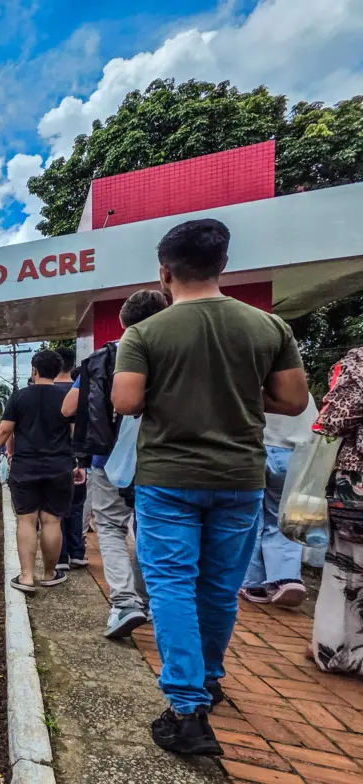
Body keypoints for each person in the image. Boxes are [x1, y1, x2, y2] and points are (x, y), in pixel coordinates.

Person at [111, 219, 309, 756]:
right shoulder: (268, 327)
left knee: (172, 584)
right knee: (219, 588)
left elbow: (126, 401)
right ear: (223, 265)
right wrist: (240, 396)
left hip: (169, 478)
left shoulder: (144, 333)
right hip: (239, 478)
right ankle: (210, 679)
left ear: (165, 272)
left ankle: (186, 707)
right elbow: (292, 400)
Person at [62, 289, 168, 638]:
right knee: (150, 531)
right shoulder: (175, 353)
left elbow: (69, 408)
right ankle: (146, 602)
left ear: (123, 324)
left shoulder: (105, 358)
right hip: (167, 457)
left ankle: (124, 603)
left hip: (110, 459)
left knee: (110, 527)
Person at [0, 350, 76, 593]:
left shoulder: (19, 397)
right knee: (51, 520)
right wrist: (80, 462)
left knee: (26, 519)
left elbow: (5, 431)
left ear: (34, 370)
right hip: (59, 467)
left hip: (26, 467)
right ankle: (49, 574)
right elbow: (76, 433)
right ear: (56, 372)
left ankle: (26, 577)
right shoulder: (67, 397)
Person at [311, 347, 363, 676]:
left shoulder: (359, 361)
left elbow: (334, 419)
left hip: (357, 479)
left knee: (346, 566)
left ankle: (335, 649)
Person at [239, 393, 318, 607]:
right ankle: (286, 578)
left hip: (254, 450)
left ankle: (252, 581)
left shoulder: (255, 384)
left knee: (251, 517)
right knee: (283, 516)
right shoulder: (301, 394)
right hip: (293, 456)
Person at [53, 346, 87, 571]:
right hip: (78, 458)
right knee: (76, 507)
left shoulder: (43, 392)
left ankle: (61, 556)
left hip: (53, 458)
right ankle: (77, 553)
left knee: (55, 510)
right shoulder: (83, 390)